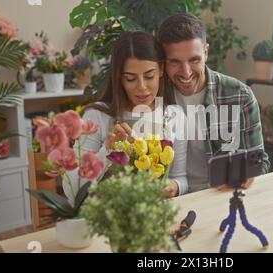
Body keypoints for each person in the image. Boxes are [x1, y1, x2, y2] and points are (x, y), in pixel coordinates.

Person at [65, 31, 188, 200]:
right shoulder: (97, 116)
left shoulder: (176, 116)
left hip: (157, 218)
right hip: (109, 220)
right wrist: (107, 151)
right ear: (119, 79)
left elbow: (181, 178)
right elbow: (71, 190)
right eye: (131, 79)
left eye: (149, 76)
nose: (142, 87)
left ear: (161, 70)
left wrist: (175, 187)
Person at [157, 13, 270, 193]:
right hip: (169, 199)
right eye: (175, 62)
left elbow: (259, 162)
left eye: (194, 60)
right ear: (163, 61)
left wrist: (248, 174)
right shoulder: (153, 95)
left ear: (206, 52)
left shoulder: (240, 96)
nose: (186, 73)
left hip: (220, 198)